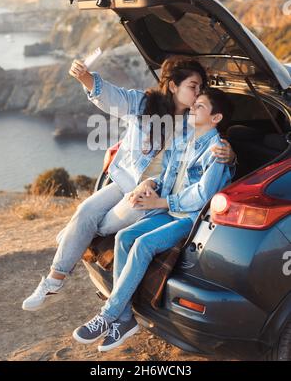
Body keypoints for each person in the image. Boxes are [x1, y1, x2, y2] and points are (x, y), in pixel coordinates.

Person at [22, 56, 235, 312]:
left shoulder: (194, 122)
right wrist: (85, 78)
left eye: (201, 88)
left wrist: (231, 155)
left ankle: (77, 233)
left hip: (154, 192)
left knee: (106, 223)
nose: (198, 93)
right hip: (126, 180)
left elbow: (215, 149)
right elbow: (115, 98)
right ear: (173, 86)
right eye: (193, 86)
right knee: (85, 211)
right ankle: (53, 281)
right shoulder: (145, 103)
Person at [72, 88, 234, 352]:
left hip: (190, 218)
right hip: (168, 209)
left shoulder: (216, 151)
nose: (193, 107)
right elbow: (167, 173)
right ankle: (125, 320)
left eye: (200, 106)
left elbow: (202, 195)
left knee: (143, 244)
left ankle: (109, 314)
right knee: (125, 237)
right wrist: (148, 184)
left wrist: (161, 202)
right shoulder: (183, 139)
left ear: (216, 118)